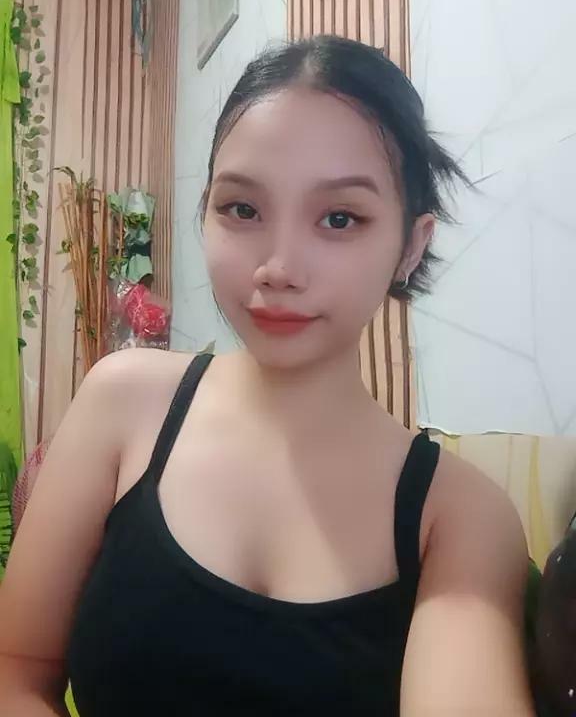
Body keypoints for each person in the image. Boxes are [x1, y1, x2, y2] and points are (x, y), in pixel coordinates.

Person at [0, 36, 535, 716]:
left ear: (410, 245)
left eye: (339, 218)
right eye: (243, 209)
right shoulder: (122, 402)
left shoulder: (458, 516)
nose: (278, 267)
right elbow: (16, 669)